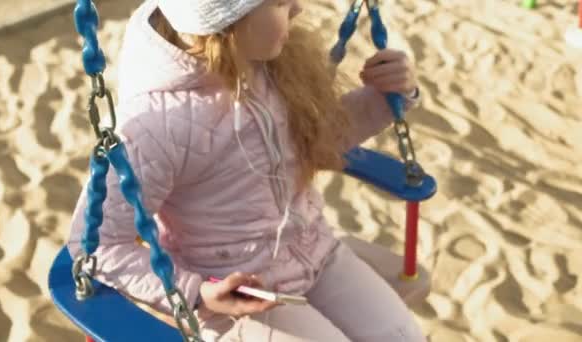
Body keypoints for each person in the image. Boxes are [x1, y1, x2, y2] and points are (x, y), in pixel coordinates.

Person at [68, 0, 426, 340]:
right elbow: (97, 244)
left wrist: (388, 95)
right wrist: (199, 293)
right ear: (225, 21)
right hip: (238, 292)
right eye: (278, 3)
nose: (298, 6)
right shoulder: (155, 126)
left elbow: (318, 141)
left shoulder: (275, 64)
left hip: (317, 253)